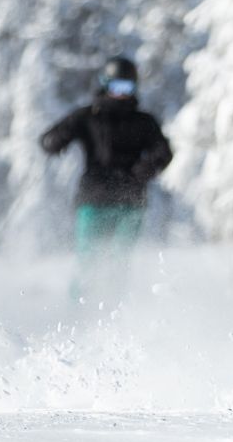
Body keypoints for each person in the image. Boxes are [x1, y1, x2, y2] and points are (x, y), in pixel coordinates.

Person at [40, 56, 173, 299]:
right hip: (94, 201)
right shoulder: (88, 117)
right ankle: (78, 316)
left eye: (127, 88)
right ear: (105, 84)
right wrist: (56, 140)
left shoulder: (144, 122)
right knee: (88, 260)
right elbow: (50, 139)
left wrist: (147, 166)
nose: (121, 94)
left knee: (119, 261)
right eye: (116, 87)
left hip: (130, 202)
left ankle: (112, 314)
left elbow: (163, 151)